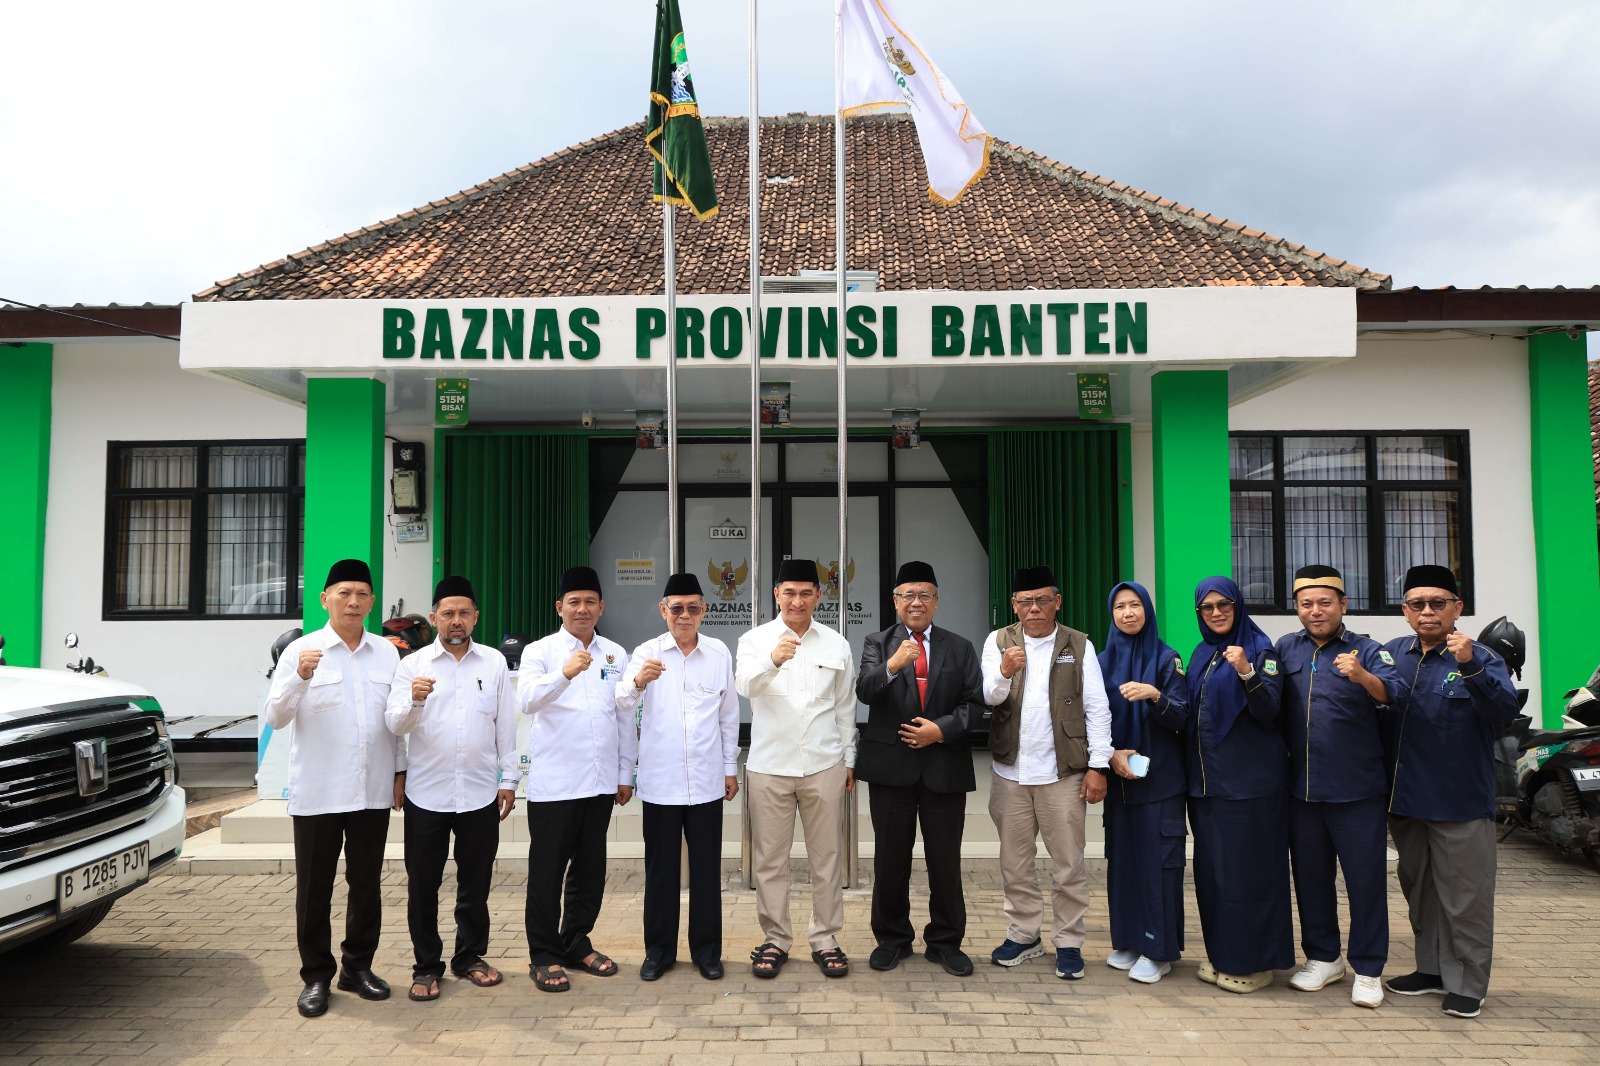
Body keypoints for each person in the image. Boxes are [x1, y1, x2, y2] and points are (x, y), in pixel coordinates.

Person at [263, 558, 404, 1018]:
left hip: (371, 789)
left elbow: (395, 720)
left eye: (362, 593)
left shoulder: (387, 653)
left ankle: (357, 968)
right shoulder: (300, 651)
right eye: (344, 593)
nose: (353, 601)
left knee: (365, 883)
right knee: (314, 888)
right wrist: (300, 677)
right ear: (325, 599)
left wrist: (399, 772)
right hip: (319, 791)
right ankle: (316, 977)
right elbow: (275, 717)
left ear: (372, 602)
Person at [1382, 565, 1520, 1019]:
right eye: (1417, 603)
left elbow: (1503, 711)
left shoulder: (1480, 655)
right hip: (1406, 800)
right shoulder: (1392, 654)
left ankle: (1468, 983)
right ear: (1405, 611)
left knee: (1465, 899)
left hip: (1459, 801)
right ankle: (1431, 970)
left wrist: (1470, 665)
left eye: (1437, 603)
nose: (1427, 611)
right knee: (1421, 892)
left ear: (1456, 608)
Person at [1276, 564, 1406, 1009]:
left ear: (1343, 605)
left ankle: (1368, 969)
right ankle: (1323, 958)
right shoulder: (1285, 649)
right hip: (1302, 791)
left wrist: (1362, 676)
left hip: (1357, 792)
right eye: (1306, 603)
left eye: (1325, 602)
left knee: (1365, 882)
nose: (1316, 611)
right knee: (1311, 879)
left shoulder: (1368, 650)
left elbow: (1394, 694)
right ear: (1297, 607)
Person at [385, 575, 519, 1002]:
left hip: (480, 792)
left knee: (475, 883)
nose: (456, 621)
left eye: (463, 613)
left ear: (475, 617)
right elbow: (395, 725)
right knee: (423, 885)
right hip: (427, 793)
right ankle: (426, 966)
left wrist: (509, 779)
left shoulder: (493, 663)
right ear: (434, 617)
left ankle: (469, 957)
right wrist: (415, 699)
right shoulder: (412, 666)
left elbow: (505, 725)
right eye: (448, 614)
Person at [980, 565, 1112, 980]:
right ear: (1014, 606)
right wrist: (1004, 671)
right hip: (1010, 772)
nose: (1034, 609)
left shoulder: (1079, 644)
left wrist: (1098, 766)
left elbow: (1097, 708)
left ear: (1057, 602)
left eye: (1042, 600)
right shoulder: (998, 641)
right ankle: (1023, 934)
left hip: (1063, 773)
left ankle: (1069, 941)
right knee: (1014, 863)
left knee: (1068, 863)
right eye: (1025, 602)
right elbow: (988, 697)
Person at [854, 561, 985, 977]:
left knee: (944, 861)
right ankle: (892, 939)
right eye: (908, 594)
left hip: (944, 766)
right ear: (895, 601)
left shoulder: (960, 647)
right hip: (891, 769)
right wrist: (893, 664)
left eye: (924, 594)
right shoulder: (878, 643)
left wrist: (940, 730)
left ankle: (945, 942)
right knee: (890, 859)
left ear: (936, 601)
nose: (916, 602)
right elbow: (865, 691)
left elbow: (974, 703)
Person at [736, 558, 858, 980]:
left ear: (819, 596)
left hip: (824, 764)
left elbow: (845, 707)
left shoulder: (835, 644)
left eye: (807, 592)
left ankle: (826, 938)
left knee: (827, 858)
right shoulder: (755, 640)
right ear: (776, 595)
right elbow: (744, 687)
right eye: (789, 592)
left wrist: (849, 759)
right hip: (769, 766)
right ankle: (775, 939)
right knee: (771, 860)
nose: (797, 600)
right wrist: (773, 660)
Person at [517, 565, 637, 992]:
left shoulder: (615, 654)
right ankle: (544, 954)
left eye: (590, 602)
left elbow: (624, 716)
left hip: (600, 782)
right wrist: (564, 673)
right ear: (559, 607)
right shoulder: (541, 652)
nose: (582, 609)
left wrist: (625, 773)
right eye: (574, 602)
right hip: (556, 784)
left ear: (601, 607)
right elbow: (527, 700)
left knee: (590, 871)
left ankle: (575, 941)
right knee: (547, 872)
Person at [617, 573, 740, 982]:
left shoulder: (718, 653)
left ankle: (707, 953)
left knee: (706, 872)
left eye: (692, 608)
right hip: (661, 783)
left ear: (704, 610)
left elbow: (728, 716)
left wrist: (729, 768)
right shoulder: (647, 652)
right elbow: (621, 701)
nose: (684, 615)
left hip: (706, 782)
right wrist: (639, 681)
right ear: (663, 610)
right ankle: (659, 952)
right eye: (676, 608)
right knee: (661, 874)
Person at [1185, 576, 1294, 993]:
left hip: (1250, 789)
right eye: (1207, 607)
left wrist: (1247, 672)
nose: (1216, 613)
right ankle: (1223, 956)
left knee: (1249, 877)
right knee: (1215, 877)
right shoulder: (1201, 652)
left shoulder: (1260, 649)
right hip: (1208, 788)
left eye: (1224, 605)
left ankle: (1254, 964)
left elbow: (1270, 711)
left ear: (1238, 605)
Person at [1098, 581, 1189, 985]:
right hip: (1120, 782)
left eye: (1135, 605)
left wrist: (1155, 696)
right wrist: (1107, 756)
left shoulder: (1168, 659)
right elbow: (1091, 718)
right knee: (1124, 865)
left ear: (1147, 611)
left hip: (1160, 785)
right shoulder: (1101, 662)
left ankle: (1159, 950)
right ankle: (1130, 941)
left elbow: (1182, 717)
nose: (1128, 613)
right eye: (1120, 607)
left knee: (1158, 867)